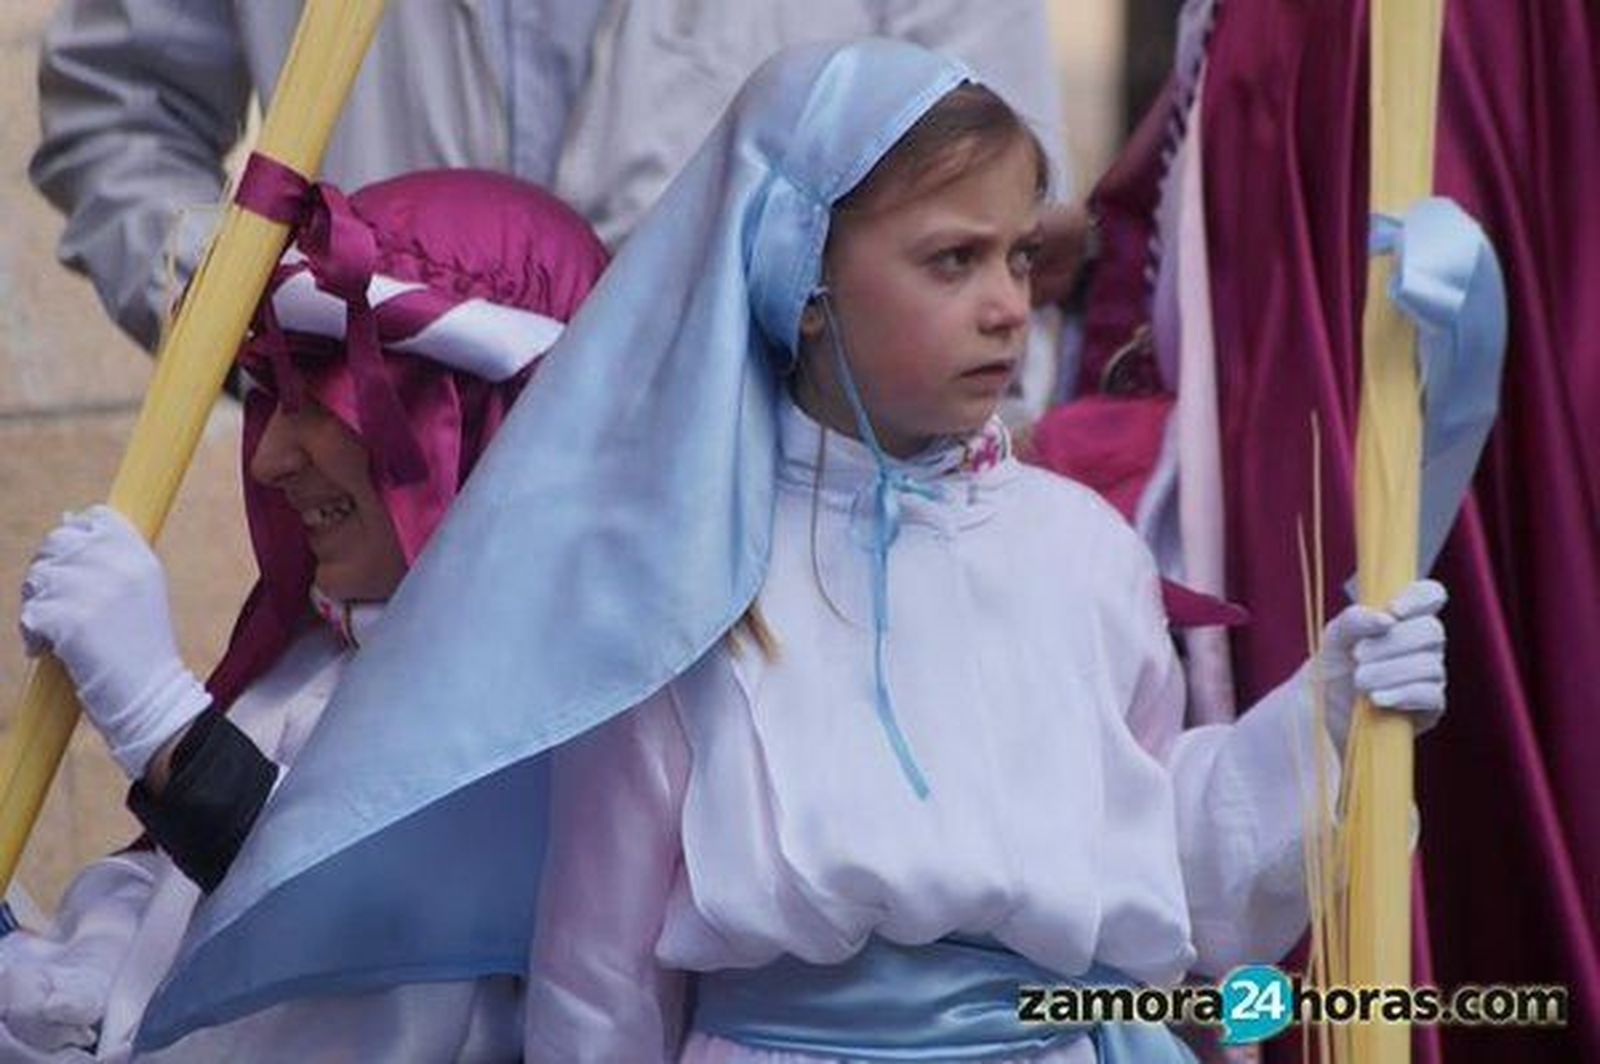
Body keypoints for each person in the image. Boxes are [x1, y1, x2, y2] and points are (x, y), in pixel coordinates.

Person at [125, 41, 1450, 1062]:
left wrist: (1327, 717)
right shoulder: (693, 584)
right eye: (949, 260)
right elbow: (600, 978)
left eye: (1014, 256)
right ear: (801, 280)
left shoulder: (1084, 554)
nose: (1006, 306)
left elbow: (1174, 863)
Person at [2, 169, 608, 1062]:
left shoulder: (567, 707)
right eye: (273, 403)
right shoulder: (320, 646)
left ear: (470, 418)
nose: (273, 459)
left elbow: (383, 924)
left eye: (316, 398)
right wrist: (98, 953)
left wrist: (165, 729)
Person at [30, 0, 1068, 353]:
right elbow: (120, 109)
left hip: (779, 569)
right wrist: (255, 313)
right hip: (402, 562)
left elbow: (989, 193)